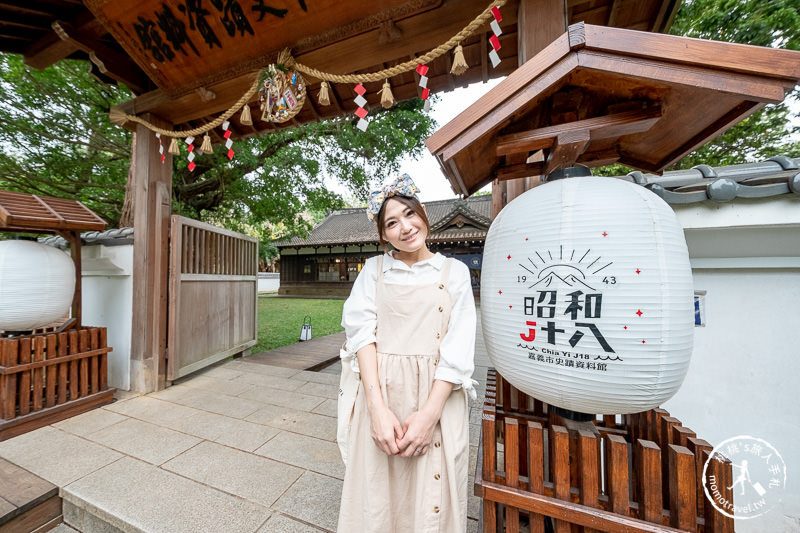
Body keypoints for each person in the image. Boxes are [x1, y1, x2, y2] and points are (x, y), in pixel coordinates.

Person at [337, 174, 477, 532]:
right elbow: (361, 337)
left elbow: (458, 347)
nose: (405, 227)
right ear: (383, 234)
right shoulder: (374, 271)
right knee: (377, 493)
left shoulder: (455, 272)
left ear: (424, 213)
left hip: (437, 395)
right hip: (381, 392)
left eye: (409, 214)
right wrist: (377, 409)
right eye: (392, 223)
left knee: (432, 496)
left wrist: (429, 415)